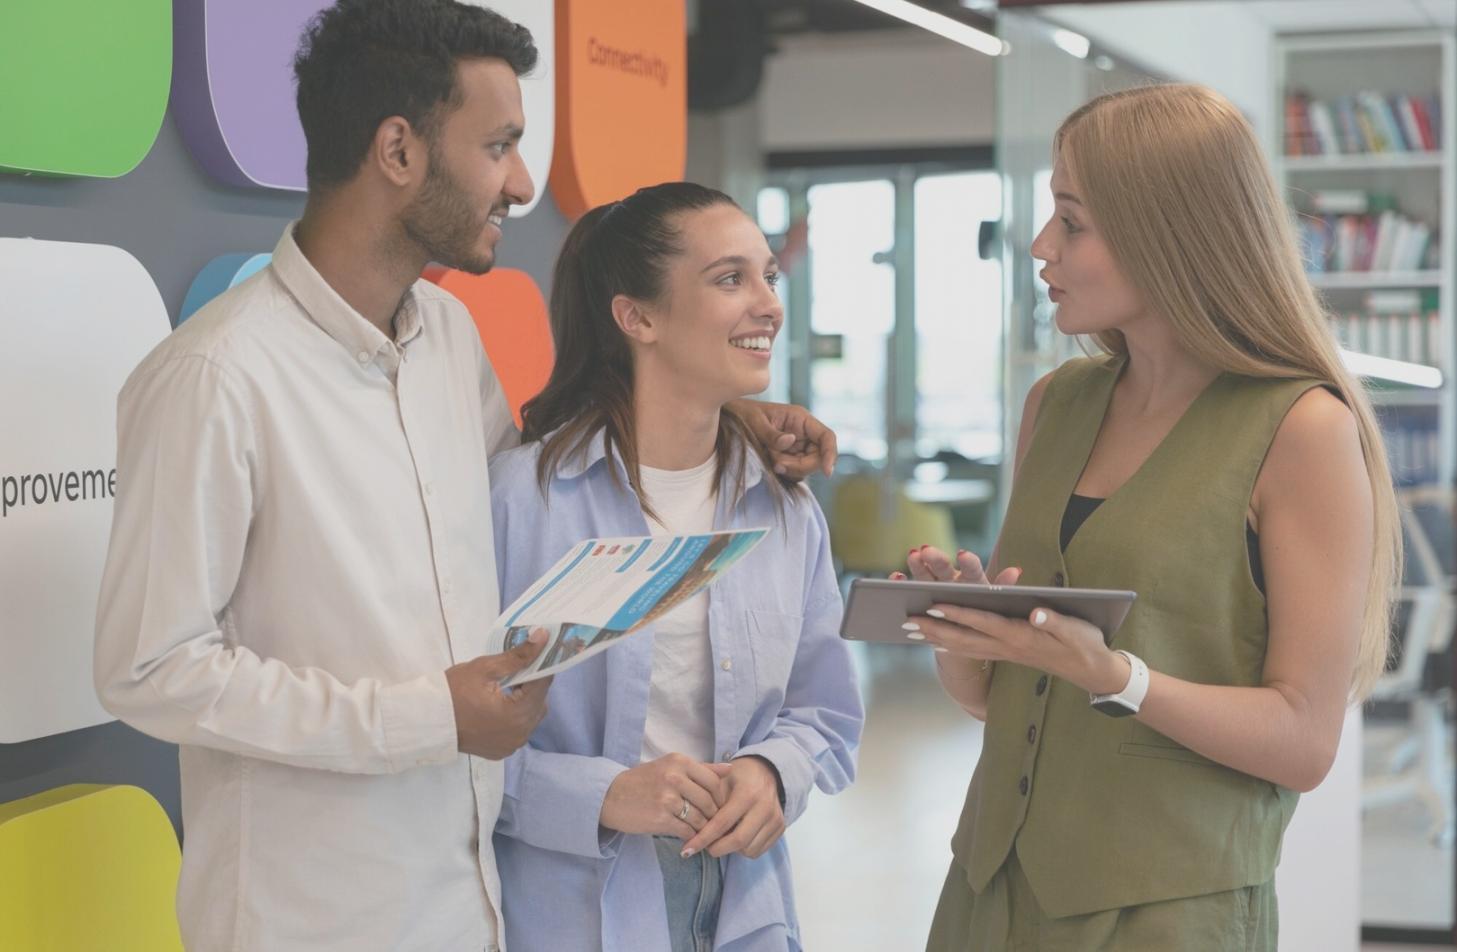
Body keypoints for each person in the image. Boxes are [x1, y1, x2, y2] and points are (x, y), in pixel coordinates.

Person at [92, 3, 834, 949]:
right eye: (498, 146)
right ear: (398, 150)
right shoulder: (215, 377)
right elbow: (149, 671)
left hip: (471, 902)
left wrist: (725, 414)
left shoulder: (446, 334)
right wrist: (429, 717)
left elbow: (536, 479)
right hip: (309, 918)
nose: (520, 183)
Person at [907, 84, 1400, 951]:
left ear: (1166, 232)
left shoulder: (1301, 429)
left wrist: (1115, 676)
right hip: (989, 885)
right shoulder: (1055, 403)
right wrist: (962, 636)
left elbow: (1302, 742)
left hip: (1171, 909)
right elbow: (996, 702)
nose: (1040, 246)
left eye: (1071, 221)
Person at [488, 182, 864, 952]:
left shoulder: (784, 508)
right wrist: (600, 796)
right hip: (568, 913)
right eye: (730, 279)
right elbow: (452, 741)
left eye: (769, 276)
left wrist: (771, 772)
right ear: (638, 318)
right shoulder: (521, 502)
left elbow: (824, 711)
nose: (768, 303)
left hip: (744, 909)